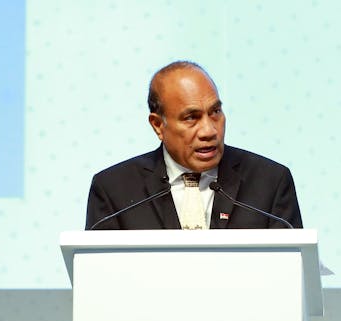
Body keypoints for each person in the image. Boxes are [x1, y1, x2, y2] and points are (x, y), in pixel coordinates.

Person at [85, 61, 302, 230]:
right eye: (191, 118)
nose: (209, 131)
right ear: (158, 125)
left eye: (215, 112)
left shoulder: (270, 182)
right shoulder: (114, 190)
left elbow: (292, 276)